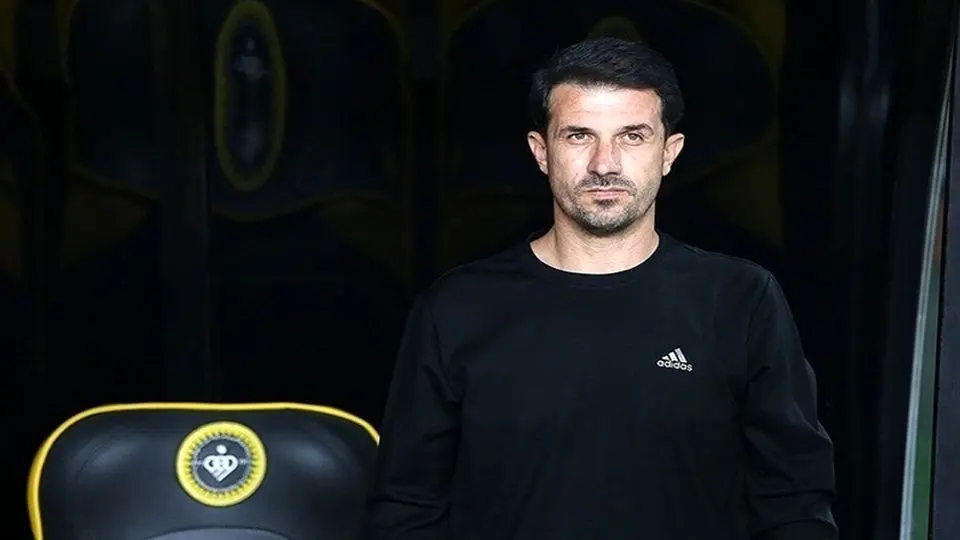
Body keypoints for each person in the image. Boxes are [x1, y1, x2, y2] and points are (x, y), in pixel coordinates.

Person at [363, 37, 837, 540]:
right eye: (579, 136)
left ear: (669, 153)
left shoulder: (740, 299)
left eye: (632, 136)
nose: (604, 164)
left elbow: (795, 501)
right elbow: (407, 508)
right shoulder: (457, 308)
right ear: (541, 152)